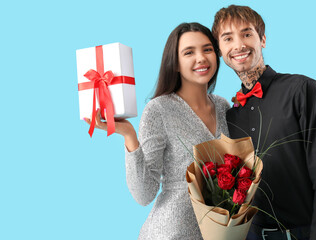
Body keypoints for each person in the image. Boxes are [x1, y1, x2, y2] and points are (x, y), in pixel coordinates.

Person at [85, 22, 230, 239]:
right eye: (189, 52)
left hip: (217, 231)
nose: (201, 58)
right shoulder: (159, 109)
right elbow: (144, 195)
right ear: (176, 63)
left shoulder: (223, 106)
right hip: (171, 232)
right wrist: (129, 136)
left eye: (207, 49)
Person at [211, 5, 316, 240]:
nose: (239, 45)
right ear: (220, 51)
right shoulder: (230, 116)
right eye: (228, 38)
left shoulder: (302, 90)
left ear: (262, 39)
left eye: (247, 34)